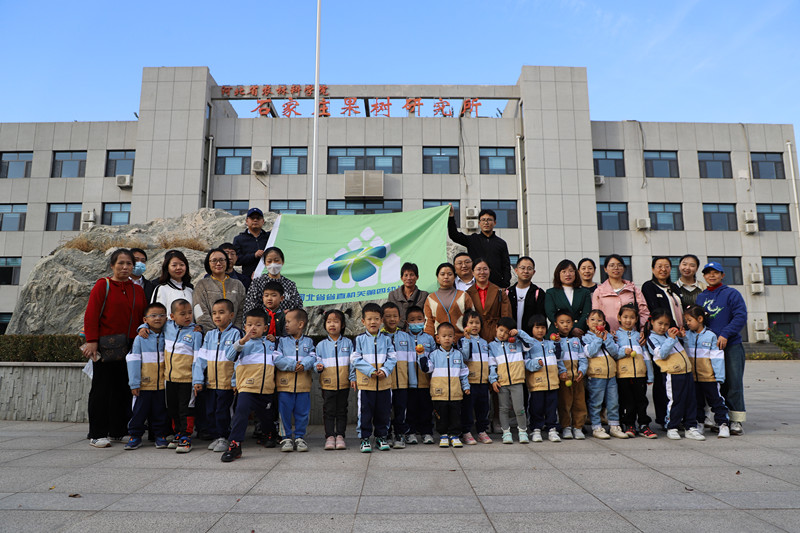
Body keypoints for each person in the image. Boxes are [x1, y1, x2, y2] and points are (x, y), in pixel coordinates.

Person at [82, 248, 147, 448]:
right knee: (101, 389)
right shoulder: (103, 285)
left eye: (129, 263)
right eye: (121, 263)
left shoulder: (137, 290)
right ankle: (97, 433)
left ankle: (118, 430)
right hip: (106, 345)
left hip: (130, 345)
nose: (125, 267)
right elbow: (91, 314)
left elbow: (142, 317)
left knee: (123, 389)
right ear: (112, 265)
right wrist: (92, 340)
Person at [695, 260, 747, 435]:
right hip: (709, 348)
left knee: (733, 383)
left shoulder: (732, 294)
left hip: (731, 345)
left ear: (722, 275)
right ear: (704, 276)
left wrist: (725, 333)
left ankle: (736, 420)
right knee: (714, 384)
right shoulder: (701, 297)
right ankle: (720, 418)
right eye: (708, 273)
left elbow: (740, 316)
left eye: (715, 272)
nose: (712, 275)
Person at [221, 308, 277, 462]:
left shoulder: (271, 344)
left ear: (265, 328)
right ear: (244, 327)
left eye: (258, 325)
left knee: (267, 417)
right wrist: (241, 341)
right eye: (250, 324)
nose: (253, 328)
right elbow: (229, 356)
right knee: (241, 413)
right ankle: (235, 445)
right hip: (246, 388)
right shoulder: (242, 345)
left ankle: (269, 434)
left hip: (266, 389)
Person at [644, 309, 705, 441]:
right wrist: (671, 339)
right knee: (675, 400)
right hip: (672, 374)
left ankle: (690, 427)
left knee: (691, 400)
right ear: (652, 322)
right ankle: (672, 426)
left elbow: (685, 349)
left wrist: (682, 337)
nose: (663, 327)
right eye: (660, 323)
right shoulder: (652, 338)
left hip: (686, 371)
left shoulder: (670, 335)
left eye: (666, 324)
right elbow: (661, 354)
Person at [192, 299, 240, 454]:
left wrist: (235, 381)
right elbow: (201, 359)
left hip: (227, 383)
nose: (217, 316)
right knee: (211, 411)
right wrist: (198, 379)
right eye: (214, 313)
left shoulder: (236, 334)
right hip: (211, 382)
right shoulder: (210, 335)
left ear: (231, 315)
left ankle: (224, 437)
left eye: (221, 312)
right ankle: (216, 436)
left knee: (223, 411)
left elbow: (239, 361)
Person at [351, 303, 397, 453]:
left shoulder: (387, 339)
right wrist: (370, 371)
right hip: (366, 384)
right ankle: (364, 438)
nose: (373, 322)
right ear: (363, 321)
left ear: (381, 320)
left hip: (384, 384)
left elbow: (392, 357)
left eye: (376, 319)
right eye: (369, 319)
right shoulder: (359, 339)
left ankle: (381, 437)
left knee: (383, 412)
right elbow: (355, 359)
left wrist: (385, 370)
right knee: (365, 412)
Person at [125, 302, 169, 450]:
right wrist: (134, 383)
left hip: (161, 384)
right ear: (145, 319)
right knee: (139, 412)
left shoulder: (168, 336)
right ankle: (135, 435)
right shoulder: (140, 338)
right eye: (153, 315)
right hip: (144, 384)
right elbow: (133, 360)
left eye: (161, 315)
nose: (158, 318)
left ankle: (160, 435)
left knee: (160, 411)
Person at [160, 298, 202, 453]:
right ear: (172, 316)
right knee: (173, 408)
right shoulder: (167, 326)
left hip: (187, 379)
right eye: (182, 314)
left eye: (190, 313)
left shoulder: (195, 333)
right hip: (170, 378)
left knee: (186, 408)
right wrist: (142, 327)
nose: (187, 316)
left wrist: (197, 380)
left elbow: (197, 359)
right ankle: (178, 433)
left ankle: (186, 436)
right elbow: (153, 323)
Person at [420, 322, 470, 448]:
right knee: (441, 416)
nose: (447, 338)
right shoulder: (434, 355)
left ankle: (454, 435)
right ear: (438, 338)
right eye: (444, 336)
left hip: (455, 393)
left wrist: (466, 386)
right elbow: (427, 369)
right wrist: (421, 355)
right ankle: (443, 435)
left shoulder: (458, 354)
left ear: (454, 338)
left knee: (455, 416)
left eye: (450, 336)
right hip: (439, 393)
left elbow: (463, 372)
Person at [274, 308, 316, 452]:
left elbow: (313, 357)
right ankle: (286, 438)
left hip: (303, 386)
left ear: (300, 324)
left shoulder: (309, 341)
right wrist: (293, 365)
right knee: (284, 412)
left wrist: (304, 364)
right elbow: (277, 359)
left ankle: (299, 437)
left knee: (302, 413)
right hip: (284, 385)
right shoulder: (281, 342)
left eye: (288, 322)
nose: (285, 325)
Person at [684, 305, 730, 438]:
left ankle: (723, 424)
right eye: (686, 321)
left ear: (700, 319)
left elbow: (717, 358)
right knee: (697, 402)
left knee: (716, 401)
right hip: (693, 378)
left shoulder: (711, 336)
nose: (687, 323)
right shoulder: (686, 336)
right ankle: (700, 423)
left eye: (689, 320)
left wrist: (719, 377)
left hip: (709, 377)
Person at [613, 304, 657, 439]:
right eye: (625, 317)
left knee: (642, 400)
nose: (628, 320)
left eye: (632, 317)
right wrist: (623, 351)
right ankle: (629, 424)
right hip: (623, 374)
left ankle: (644, 425)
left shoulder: (639, 336)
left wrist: (650, 375)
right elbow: (613, 353)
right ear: (619, 317)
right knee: (627, 401)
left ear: (637, 319)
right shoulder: (615, 336)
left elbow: (646, 357)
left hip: (640, 374)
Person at [488, 317, 534, 444]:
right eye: (501, 330)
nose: (502, 334)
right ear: (496, 328)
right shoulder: (492, 346)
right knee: (503, 409)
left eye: (506, 332)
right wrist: (493, 380)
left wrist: (519, 333)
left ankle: (522, 431)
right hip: (502, 383)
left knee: (519, 409)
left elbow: (531, 343)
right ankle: (506, 432)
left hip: (517, 381)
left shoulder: (518, 343)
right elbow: (491, 365)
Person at [583, 309, 627, 440]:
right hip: (596, 375)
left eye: (599, 320)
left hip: (611, 374)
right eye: (592, 319)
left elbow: (615, 353)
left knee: (613, 402)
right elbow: (590, 352)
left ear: (604, 323)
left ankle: (614, 426)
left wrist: (606, 339)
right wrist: (598, 339)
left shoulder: (608, 336)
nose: (596, 322)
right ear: (587, 322)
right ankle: (596, 427)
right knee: (596, 402)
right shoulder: (585, 338)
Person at [315, 309, 353, 450]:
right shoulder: (321, 345)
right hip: (327, 384)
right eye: (329, 322)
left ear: (342, 325)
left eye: (336, 321)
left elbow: (353, 363)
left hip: (344, 384)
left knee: (342, 410)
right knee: (329, 411)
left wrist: (352, 378)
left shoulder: (348, 343)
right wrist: (317, 366)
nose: (332, 325)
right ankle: (330, 436)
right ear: (325, 324)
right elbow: (316, 360)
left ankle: (340, 436)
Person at [448, 205, 511, 288]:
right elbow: (454, 235)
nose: (486, 222)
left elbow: (506, 265)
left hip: (496, 285)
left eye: (489, 220)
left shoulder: (501, 243)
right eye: (483, 220)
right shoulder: (473, 239)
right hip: (476, 285)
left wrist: (505, 284)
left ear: (495, 223)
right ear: (479, 223)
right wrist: (451, 216)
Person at [523, 315, 561, 443]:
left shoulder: (551, 343)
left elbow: (558, 358)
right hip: (537, 384)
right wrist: (536, 363)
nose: (540, 330)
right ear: (531, 329)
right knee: (536, 407)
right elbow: (526, 363)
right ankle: (536, 429)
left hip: (552, 383)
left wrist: (557, 343)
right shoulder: (529, 345)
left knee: (552, 407)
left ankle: (552, 429)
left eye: (543, 327)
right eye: (537, 327)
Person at [381, 302, 414, 449]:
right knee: (385, 409)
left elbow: (411, 360)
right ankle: (386, 434)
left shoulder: (406, 337)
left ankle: (400, 433)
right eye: (388, 316)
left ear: (400, 318)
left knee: (401, 409)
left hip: (402, 381)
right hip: (385, 382)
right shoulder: (380, 337)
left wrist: (412, 381)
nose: (392, 319)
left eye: (395, 316)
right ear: (382, 318)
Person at [552, 310, 588, 440]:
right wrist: (562, 371)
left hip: (577, 378)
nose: (565, 325)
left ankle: (578, 427)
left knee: (579, 403)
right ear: (556, 324)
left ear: (572, 324)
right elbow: (557, 359)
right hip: (564, 378)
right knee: (564, 404)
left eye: (568, 322)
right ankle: (566, 427)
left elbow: (583, 358)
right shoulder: (555, 341)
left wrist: (582, 370)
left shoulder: (576, 341)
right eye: (562, 322)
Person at [458, 310, 492, 445]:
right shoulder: (462, 341)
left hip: (483, 381)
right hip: (469, 382)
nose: (474, 325)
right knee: (467, 408)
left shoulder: (484, 342)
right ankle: (466, 432)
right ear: (465, 325)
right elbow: (465, 356)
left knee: (483, 408)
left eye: (477, 323)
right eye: (471, 322)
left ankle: (482, 431)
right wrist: (467, 340)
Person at [591, 254, 649, 332]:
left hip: (632, 335)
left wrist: (643, 330)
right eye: (612, 265)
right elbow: (596, 316)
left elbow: (643, 312)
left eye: (619, 265)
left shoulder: (633, 289)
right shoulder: (599, 291)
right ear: (605, 269)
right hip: (607, 335)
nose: (616, 268)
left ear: (624, 268)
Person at [193, 249, 245, 332]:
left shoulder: (237, 284)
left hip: (234, 335)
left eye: (221, 260)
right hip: (209, 335)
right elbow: (200, 311)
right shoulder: (202, 285)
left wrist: (234, 332)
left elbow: (241, 311)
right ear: (208, 263)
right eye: (214, 260)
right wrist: (213, 334)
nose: (218, 263)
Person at [405, 306, 436, 445]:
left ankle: (426, 432)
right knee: (410, 408)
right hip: (409, 382)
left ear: (424, 320)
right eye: (412, 320)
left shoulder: (429, 339)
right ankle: (410, 432)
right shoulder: (404, 338)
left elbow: (434, 358)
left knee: (426, 408)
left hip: (425, 382)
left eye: (419, 319)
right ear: (407, 322)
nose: (416, 322)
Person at [243, 246, 302, 314]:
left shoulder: (290, 285)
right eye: (269, 261)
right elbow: (250, 307)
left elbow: (297, 307)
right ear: (265, 264)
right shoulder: (257, 283)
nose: (273, 264)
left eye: (276, 260)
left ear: (282, 262)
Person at [424, 263, 474, 340]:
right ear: (437, 277)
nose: (446, 277)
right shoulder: (431, 298)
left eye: (449, 274)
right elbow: (429, 322)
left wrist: (469, 336)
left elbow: (472, 318)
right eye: (442, 274)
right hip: (439, 341)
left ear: (454, 277)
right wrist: (429, 341)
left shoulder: (463, 295)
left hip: (462, 340)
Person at [466, 259, 511, 341]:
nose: (482, 272)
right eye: (478, 269)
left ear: (489, 271)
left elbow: (506, 315)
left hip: (496, 334)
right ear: (472, 272)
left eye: (485, 269)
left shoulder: (499, 291)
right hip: (475, 334)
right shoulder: (468, 293)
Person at [545, 259, 592, 335]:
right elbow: (551, 314)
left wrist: (577, 328)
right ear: (558, 274)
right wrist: (571, 329)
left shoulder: (584, 292)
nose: (568, 274)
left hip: (579, 333)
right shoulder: (551, 292)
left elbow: (586, 313)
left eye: (571, 271)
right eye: (564, 272)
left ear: (575, 273)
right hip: (557, 334)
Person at [507, 256, 546, 335]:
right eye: (522, 268)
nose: (526, 271)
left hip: (531, 337)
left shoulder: (538, 293)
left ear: (533, 272)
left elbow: (541, 317)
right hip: (511, 337)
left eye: (529, 268)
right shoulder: (508, 292)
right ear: (516, 270)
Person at [233, 207, 270, 288]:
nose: (255, 220)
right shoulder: (239, 239)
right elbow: (236, 260)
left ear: (263, 221)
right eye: (252, 218)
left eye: (258, 218)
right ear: (247, 221)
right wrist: (254, 255)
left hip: (268, 278)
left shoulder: (270, 237)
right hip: (248, 279)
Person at [387, 262, 429, 329]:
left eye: (412, 275)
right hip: (397, 332)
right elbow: (388, 316)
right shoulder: (393, 295)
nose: (409, 278)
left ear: (417, 277)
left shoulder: (423, 295)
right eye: (406, 275)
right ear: (401, 278)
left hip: (416, 331)